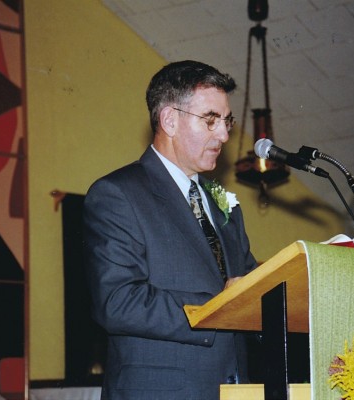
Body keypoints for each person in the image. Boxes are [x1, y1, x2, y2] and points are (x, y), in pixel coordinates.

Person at [83, 60, 258, 400]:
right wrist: (219, 305)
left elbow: (247, 282)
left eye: (227, 121)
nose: (224, 135)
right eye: (211, 120)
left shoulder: (224, 204)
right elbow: (117, 301)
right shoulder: (118, 194)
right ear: (169, 120)